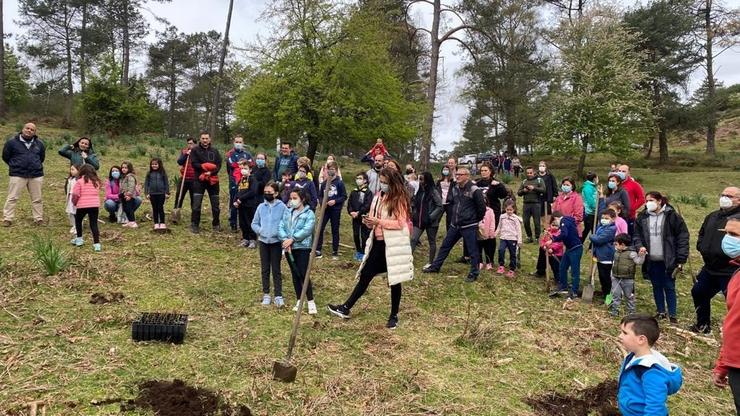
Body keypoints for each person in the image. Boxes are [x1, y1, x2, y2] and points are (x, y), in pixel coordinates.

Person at [327, 168, 413, 329]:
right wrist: (369, 221)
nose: (383, 185)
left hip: (392, 243)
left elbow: (400, 223)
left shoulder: (399, 199)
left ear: (393, 183)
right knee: (366, 275)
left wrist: (378, 222)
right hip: (378, 241)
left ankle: (393, 315)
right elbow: (376, 216)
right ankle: (346, 307)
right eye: (381, 181)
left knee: (394, 280)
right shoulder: (379, 196)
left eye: (386, 182)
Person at [633, 191, 689, 324]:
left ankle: (673, 314)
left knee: (669, 286)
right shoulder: (642, 217)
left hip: (668, 259)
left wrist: (681, 258)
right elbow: (636, 235)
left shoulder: (672, 217)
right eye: (646, 201)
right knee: (656, 285)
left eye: (651, 200)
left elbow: (683, 237)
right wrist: (639, 246)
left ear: (659, 201)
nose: (648, 203)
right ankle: (661, 311)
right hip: (651, 259)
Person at [423, 167, 487, 282]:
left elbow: (481, 208)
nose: (457, 176)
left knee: (473, 250)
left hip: (469, 225)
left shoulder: (474, 190)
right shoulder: (456, 188)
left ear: (467, 176)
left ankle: (474, 273)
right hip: (455, 224)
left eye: (460, 174)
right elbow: (452, 202)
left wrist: (474, 219)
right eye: (456, 174)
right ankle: (435, 267)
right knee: (445, 246)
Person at [691, 186, 740, 334]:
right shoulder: (712, 216)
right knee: (699, 292)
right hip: (710, 267)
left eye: (729, 196)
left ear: (738, 199)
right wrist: (702, 246)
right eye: (723, 194)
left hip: (730, 269)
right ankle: (703, 324)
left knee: (734, 302)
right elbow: (702, 233)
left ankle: (734, 332)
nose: (724, 198)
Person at [617, 314, 683, 416]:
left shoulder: (651, 371)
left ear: (641, 339)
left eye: (625, 333)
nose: (620, 336)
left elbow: (655, 407)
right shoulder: (633, 356)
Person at [712, 215, 740, 412]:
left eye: (734, 234)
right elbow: (732, 323)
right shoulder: (737, 273)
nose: (728, 239)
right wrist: (723, 364)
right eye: (727, 233)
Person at [279, 187, 317, 314]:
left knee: (303, 273)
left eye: (295, 198)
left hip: (302, 247)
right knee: (294, 274)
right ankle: (299, 299)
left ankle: (311, 301)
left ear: (303, 199)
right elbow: (281, 226)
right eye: (291, 198)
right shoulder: (288, 212)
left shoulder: (309, 214)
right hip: (289, 248)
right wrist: (285, 240)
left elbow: (307, 230)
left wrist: (293, 239)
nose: (292, 201)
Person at [535, 177, 584, 278]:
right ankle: (540, 270)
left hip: (570, 231)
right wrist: (550, 226)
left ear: (572, 186)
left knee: (559, 252)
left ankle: (561, 275)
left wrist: (565, 223)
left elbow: (578, 216)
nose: (565, 186)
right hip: (556, 228)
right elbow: (554, 213)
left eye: (568, 185)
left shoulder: (576, 198)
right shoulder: (559, 197)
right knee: (544, 246)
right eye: (564, 184)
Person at [252, 182, 288, 308]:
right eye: (265, 192)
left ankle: (278, 295)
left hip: (276, 242)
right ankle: (266, 294)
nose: (267, 194)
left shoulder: (282, 207)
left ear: (276, 193)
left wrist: (281, 236)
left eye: (270, 192)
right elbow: (254, 223)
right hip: (263, 242)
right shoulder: (261, 207)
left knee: (276, 269)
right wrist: (261, 231)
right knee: (265, 269)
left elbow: (285, 224)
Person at [2, 122, 46, 226]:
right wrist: (15, 165)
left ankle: (38, 219)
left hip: (36, 174)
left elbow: (41, 158)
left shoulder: (39, 144)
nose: (29, 130)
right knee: (12, 197)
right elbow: (5, 157)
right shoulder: (11, 142)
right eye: (27, 128)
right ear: (23, 129)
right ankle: (7, 219)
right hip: (17, 174)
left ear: (34, 132)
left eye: (32, 129)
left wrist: (35, 165)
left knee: (37, 199)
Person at [190, 131, 222, 234]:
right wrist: (204, 168)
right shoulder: (195, 150)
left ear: (210, 139)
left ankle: (216, 223)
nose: (205, 140)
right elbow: (194, 163)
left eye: (206, 138)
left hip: (213, 180)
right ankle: (195, 224)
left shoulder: (215, 151)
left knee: (215, 204)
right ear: (200, 139)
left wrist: (211, 172)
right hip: (199, 180)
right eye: (203, 138)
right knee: (196, 204)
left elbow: (218, 164)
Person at [548, 211, 583, 299]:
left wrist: (553, 239)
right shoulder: (567, 221)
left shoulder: (564, 221)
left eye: (554, 221)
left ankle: (574, 290)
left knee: (575, 270)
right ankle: (563, 286)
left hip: (576, 248)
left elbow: (564, 234)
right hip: (569, 248)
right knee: (562, 266)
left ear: (556, 218)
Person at [411, 172, 444, 266]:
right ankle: (409, 259)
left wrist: (431, 217)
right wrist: (414, 214)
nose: (420, 181)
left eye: (422, 179)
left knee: (431, 241)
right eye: (419, 179)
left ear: (427, 180)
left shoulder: (434, 191)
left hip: (430, 222)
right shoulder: (420, 191)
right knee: (413, 239)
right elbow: (416, 204)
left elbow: (439, 206)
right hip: (419, 220)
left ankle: (431, 262)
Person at [610, 233, 646, 316]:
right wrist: (612, 275)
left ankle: (631, 312)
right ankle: (614, 311)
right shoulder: (616, 252)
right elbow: (614, 263)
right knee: (616, 294)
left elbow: (639, 262)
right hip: (616, 277)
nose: (615, 246)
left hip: (628, 279)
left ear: (622, 244)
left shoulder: (631, 253)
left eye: (616, 244)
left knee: (629, 296)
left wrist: (642, 255)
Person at [316, 161, 347, 259]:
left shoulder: (339, 183)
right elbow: (320, 195)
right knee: (320, 228)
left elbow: (344, 196)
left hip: (335, 210)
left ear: (336, 170)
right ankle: (318, 249)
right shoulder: (325, 183)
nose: (331, 171)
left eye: (333, 169)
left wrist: (335, 201)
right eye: (329, 169)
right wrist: (322, 203)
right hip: (326, 210)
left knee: (335, 229)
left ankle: (335, 251)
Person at [70, 165, 103, 251]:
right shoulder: (96, 182)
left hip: (82, 205)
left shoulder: (79, 181)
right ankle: (97, 244)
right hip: (94, 205)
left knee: (78, 220)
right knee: (94, 224)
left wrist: (74, 202)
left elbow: (75, 194)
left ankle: (79, 239)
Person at [226, 135, 254, 232]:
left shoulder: (247, 154)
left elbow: (251, 164)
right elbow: (232, 165)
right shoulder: (230, 154)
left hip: (246, 182)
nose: (238, 144)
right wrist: (242, 165)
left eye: (240, 142)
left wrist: (241, 164)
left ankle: (245, 224)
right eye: (237, 142)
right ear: (234, 142)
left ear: (243, 143)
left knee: (244, 201)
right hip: (234, 181)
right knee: (234, 201)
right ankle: (233, 223)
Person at [590, 208, 618, 302]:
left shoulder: (611, 229)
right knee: (602, 277)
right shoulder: (602, 226)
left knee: (606, 277)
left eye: (606, 218)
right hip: (600, 256)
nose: (604, 220)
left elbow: (599, 240)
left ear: (613, 219)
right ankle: (605, 293)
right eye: (603, 218)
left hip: (606, 256)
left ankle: (609, 297)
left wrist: (592, 236)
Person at [348, 172, 373, 261]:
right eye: (357, 178)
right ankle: (358, 250)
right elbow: (349, 203)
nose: (358, 180)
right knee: (355, 234)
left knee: (364, 235)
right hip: (354, 217)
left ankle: (363, 251)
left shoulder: (368, 192)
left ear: (365, 180)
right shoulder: (354, 191)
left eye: (360, 178)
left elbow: (367, 205)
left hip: (363, 217)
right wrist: (351, 212)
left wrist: (359, 212)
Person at [476, 162, 507, 232]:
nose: (483, 172)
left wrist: (499, 186)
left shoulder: (495, 183)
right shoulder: (477, 183)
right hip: (479, 212)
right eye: (482, 171)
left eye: (485, 170)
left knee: (490, 234)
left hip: (492, 212)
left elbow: (503, 195)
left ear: (490, 171)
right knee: (480, 234)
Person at [518, 167, 546, 243]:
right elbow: (519, 193)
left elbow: (544, 190)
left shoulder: (539, 180)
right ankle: (529, 237)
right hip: (526, 204)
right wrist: (524, 190)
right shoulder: (524, 181)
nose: (529, 174)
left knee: (536, 222)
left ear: (534, 173)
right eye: (528, 173)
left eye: (530, 173)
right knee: (526, 221)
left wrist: (534, 188)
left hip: (536, 204)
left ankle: (537, 238)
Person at [235, 161, 259, 248]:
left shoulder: (253, 179)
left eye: (245, 169)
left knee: (250, 222)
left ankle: (252, 239)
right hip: (241, 206)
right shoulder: (241, 180)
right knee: (242, 223)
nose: (243, 170)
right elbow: (238, 192)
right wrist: (235, 200)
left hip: (250, 205)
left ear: (250, 170)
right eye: (242, 169)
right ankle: (245, 239)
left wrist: (240, 199)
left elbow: (252, 191)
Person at [617, 165, 645, 235]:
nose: (621, 173)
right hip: (615, 215)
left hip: (629, 217)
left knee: (628, 237)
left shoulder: (634, 185)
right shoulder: (615, 184)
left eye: (623, 171)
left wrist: (632, 208)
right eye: (619, 171)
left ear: (628, 173)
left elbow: (641, 199)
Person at [144, 158, 170, 230]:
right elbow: (146, 184)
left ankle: (162, 223)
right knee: (154, 208)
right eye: (152, 164)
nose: (154, 165)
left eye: (156, 164)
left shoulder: (163, 173)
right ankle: (156, 223)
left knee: (160, 207)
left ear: (159, 165)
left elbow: (166, 183)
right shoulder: (149, 173)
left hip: (161, 193)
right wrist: (146, 193)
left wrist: (167, 192)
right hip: (152, 194)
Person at [174, 137, 197, 213]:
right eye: (188, 143)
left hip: (194, 179)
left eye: (191, 143)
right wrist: (186, 154)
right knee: (179, 195)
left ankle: (194, 213)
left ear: (195, 144)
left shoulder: (198, 152)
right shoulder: (184, 151)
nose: (190, 145)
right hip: (184, 177)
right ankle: (176, 211)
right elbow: (179, 162)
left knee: (193, 197)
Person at [540, 216, 563, 283]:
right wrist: (543, 246)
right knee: (550, 264)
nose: (554, 227)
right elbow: (543, 240)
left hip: (557, 254)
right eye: (553, 225)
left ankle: (558, 279)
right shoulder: (547, 232)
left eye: (556, 226)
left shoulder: (560, 234)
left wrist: (552, 248)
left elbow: (559, 243)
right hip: (548, 252)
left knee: (556, 267)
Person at [119, 161, 140, 228]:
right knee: (125, 208)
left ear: (129, 169)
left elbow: (131, 186)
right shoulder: (123, 177)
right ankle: (129, 221)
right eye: (122, 167)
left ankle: (133, 222)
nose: (124, 169)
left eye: (126, 168)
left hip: (129, 196)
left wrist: (129, 194)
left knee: (129, 208)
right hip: (124, 195)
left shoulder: (130, 176)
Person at [477, 204, 496, 271]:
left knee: (488, 249)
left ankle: (489, 262)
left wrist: (491, 232)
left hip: (488, 234)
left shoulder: (490, 211)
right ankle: (480, 262)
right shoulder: (475, 209)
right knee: (478, 248)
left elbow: (492, 222)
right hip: (478, 234)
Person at [437, 164, 456, 231]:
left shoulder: (452, 181)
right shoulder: (439, 181)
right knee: (437, 219)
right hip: (441, 203)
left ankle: (449, 235)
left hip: (449, 203)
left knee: (449, 220)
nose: (445, 171)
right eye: (444, 169)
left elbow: (455, 189)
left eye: (447, 170)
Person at [581, 172, 599, 242]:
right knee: (591, 230)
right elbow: (590, 201)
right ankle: (581, 243)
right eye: (597, 178)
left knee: (591, 230)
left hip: (593, 212)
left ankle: (590, 246)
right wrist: (597, 208)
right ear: (594, 179)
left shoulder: (592, 187)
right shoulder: (588, 188)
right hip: (590, 213)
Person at [64, 165, 80, 234]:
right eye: (71, 169)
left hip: (77, 198)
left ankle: (78, 226)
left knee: (77, 213)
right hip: (70, 197)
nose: (71, 171)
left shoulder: (80, 180)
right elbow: (66, 188)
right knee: (71, 212)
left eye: (73, 169)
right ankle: (74, 225)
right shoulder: (70, 179)